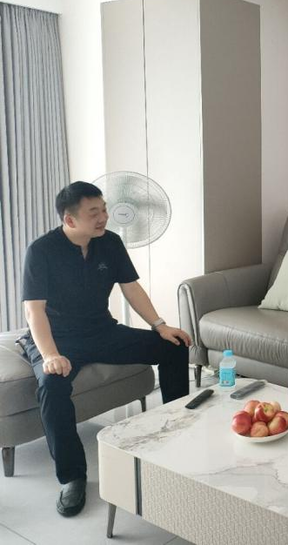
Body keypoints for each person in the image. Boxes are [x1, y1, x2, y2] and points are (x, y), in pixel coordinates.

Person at [20, 181, 191, 517]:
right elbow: (33, 311)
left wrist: (160, 325)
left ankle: (176, 431)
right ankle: (72, 478)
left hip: (102, 331)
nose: (104, 217)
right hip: (59, 339)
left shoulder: (110, 242)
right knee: (52, 386)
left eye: (104, 209)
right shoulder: (41, 251)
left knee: (173, 346)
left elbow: (131, 288)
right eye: (94, 213)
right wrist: (51, 355)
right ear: (70, 220)